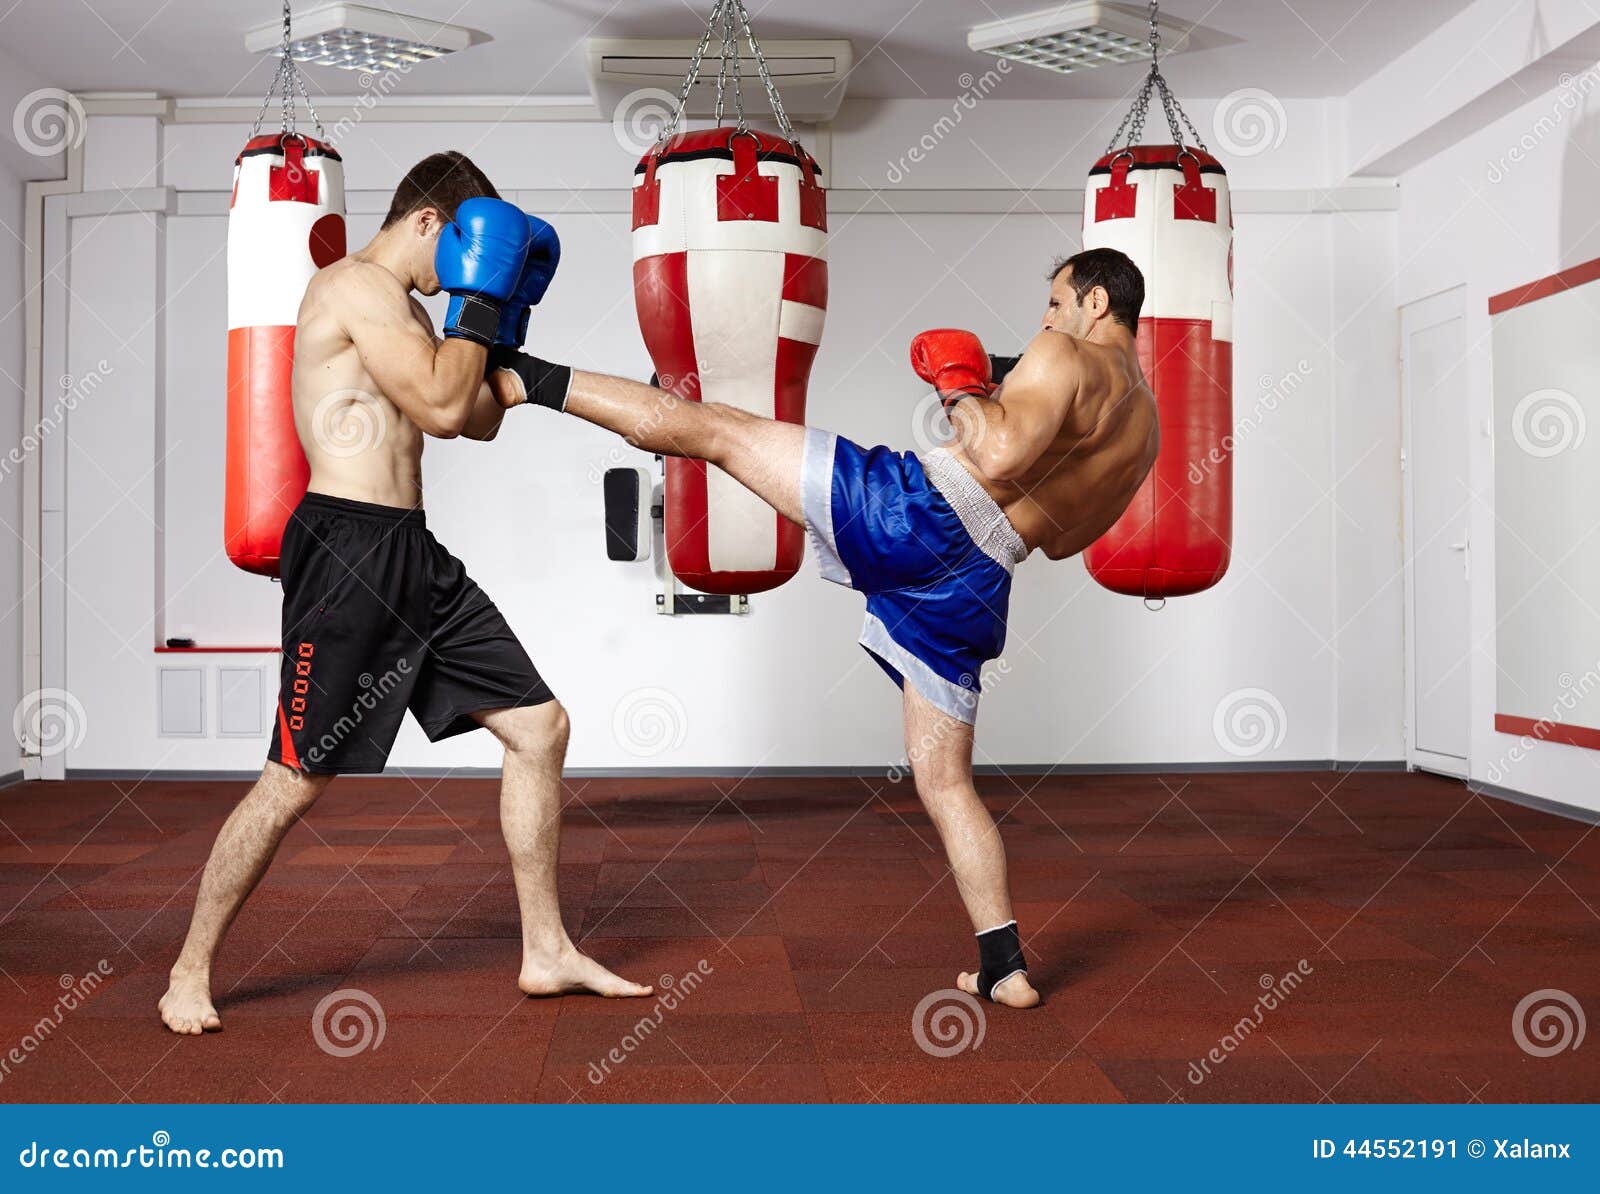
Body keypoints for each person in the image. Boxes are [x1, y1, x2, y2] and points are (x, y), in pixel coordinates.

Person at [487, 246, 1160, 1007]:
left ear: (1096, 303)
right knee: (946, 783)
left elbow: (996, 446)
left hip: (915, 516)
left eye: (1058, 301)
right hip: (979, 582)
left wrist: (960, 386)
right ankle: (1004, 968)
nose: (1046, 316)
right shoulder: (1148, 432)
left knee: (716, 430)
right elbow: (1067, 540)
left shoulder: (1063, 351)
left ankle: (522, 376)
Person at [160, 152, 652, 1035]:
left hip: (410, 550)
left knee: (540, 729)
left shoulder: (421, 309)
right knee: (294, 780)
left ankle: (545, 950)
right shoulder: (351, 286)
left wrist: (494, 325)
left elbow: (476, 421)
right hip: (345, 552)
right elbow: (436, 403)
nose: (460, 266)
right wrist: (473, 316)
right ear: (430, 222)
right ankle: (187, 970)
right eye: (465, 244)